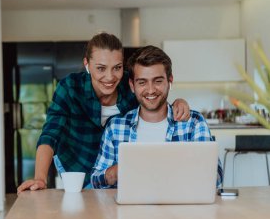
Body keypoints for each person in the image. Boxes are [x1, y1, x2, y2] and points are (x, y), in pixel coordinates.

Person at [17, 33, 191, 194]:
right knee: (82, 211)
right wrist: (40, 178)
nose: (110, 77)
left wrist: (177, 103)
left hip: (112, 168)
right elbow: (50, 134)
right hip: (76, 161)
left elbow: (152, 98)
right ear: (87, 65)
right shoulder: (70, 87)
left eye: (117, 68)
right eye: (101, 68)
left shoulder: (129, 85)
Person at [91, 45, 223, 188]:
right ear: (132, 86)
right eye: (142, 82)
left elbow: (216, 176)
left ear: (170, 81)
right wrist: (113, 173)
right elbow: (95, 180)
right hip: (129, 209)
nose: (151, 90)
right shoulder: (115, 127)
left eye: (158, 81)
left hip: (180, 209)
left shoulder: (193, 123)